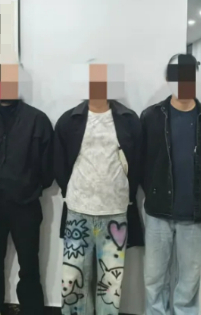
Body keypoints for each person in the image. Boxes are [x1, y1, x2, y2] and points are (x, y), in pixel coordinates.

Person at [54, 62, 144, 315]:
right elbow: (58, 163)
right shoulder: (69, 120)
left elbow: (138, 162)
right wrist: (72, 189)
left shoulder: (129, 120)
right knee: (73, 281)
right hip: (78, 212)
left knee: (111, 284)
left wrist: (124, 190)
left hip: (115, 213)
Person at [0, 59, 53, 315]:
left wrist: (28, 185)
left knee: (29, 263)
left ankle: (31, 309)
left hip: (26, 204)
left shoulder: (37, 120)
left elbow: (48, 169)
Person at [141, 54, 201, 315]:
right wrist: (153, 190)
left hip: (196, 215)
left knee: (188, 281)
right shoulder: (152, 116)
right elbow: (142, 161)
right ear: (168, 79)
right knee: (154, 279)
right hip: (158, 213)